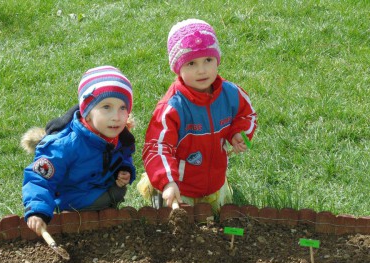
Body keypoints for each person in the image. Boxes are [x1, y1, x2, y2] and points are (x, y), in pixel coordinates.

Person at [138, 19, 257, 213]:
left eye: (208, 60)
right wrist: (168, 182)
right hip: (182, 184)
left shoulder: (231, 94)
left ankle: (213, 190)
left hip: (215, 178)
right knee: (180, 217)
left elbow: (248, 115)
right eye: (191, 63)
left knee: (218, 213)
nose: (202, 70)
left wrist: (239, 134)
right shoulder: (172, 107)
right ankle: (158, 185)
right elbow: (157, 147)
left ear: (217, 60)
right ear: (178, 68)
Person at [22, 66, 136, 236]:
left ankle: (104, 220)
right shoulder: (65, 144)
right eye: (106, 107)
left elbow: (123, 156)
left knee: (117, 195)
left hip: (98, 190)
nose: (116, 116)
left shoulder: (118, 135)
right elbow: (39, 178)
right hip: (74, 203)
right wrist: (37, 209)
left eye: (122, 108)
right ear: (87, 113)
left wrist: (124, 169)